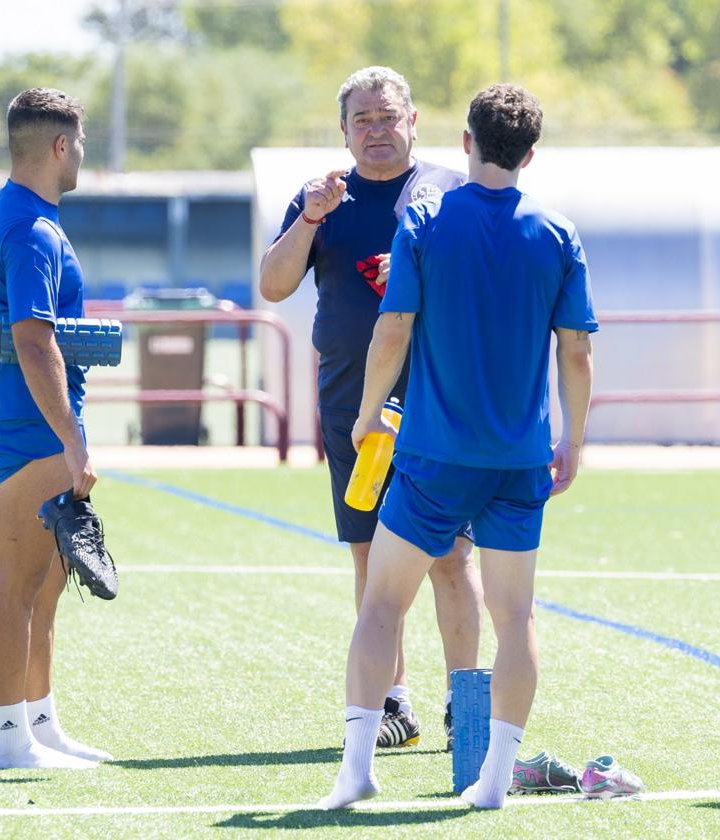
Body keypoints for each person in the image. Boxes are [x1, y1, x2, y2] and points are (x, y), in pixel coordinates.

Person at [320, 82, 597, 810]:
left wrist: (366, 413)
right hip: (519, 462)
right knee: (516, 619)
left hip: (432, 458)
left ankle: (356, 771)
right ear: (530, 153)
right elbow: (576, 354)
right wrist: (575, 440)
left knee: (381, 605)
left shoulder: (426, 219)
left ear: (466, 141)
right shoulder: (558, 232)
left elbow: (391, 329)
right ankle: (494, 782)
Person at [259, 66, 481, 748]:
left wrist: (421, 273)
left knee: (450, 557)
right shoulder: (322, 197)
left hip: (439, 405)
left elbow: (484, 287)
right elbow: (271, 285)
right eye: (364, 121)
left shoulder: (452, 191)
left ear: (413, 122)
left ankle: (462, 701)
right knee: (369, 557)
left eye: (389, 118)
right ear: (344, 131)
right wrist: (308, 219)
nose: (377, 131)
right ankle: (393, 704)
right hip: (354, 410)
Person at [0, 87, 110, 769]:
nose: (81, 156)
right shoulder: (30, 226)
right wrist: (73, 439)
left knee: (47, 583)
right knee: (19, 584)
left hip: (34, 419)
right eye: (79, 144)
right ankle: (10, 743)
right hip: (33, 426)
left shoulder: (16, 208)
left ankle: (41, 726)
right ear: (60, 146)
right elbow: (32, 340)